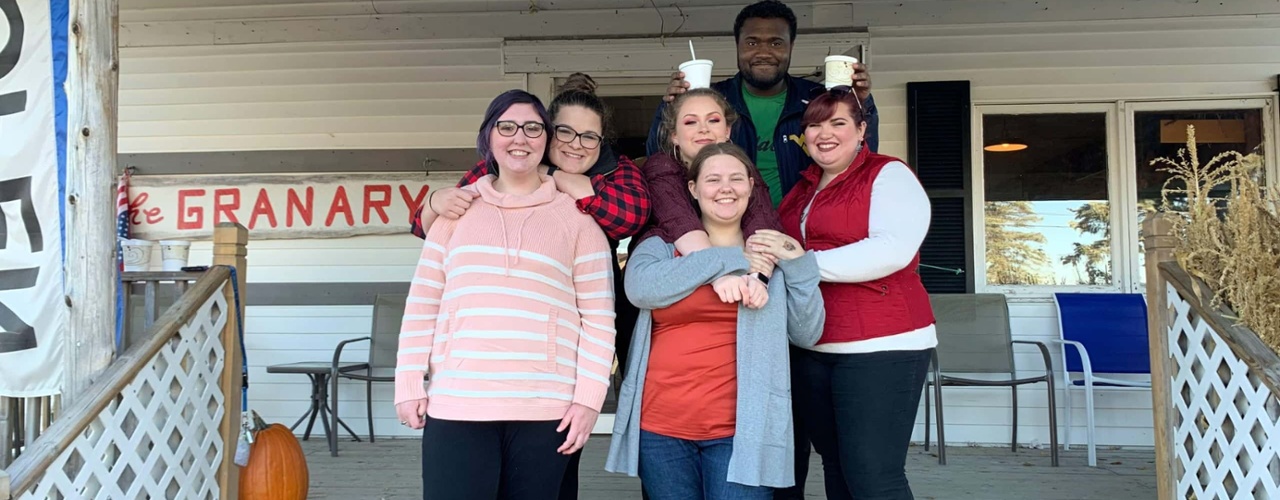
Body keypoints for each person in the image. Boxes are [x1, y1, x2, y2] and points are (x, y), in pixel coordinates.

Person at [408, 74, 650, 500]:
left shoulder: (607, 182)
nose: (576, 144)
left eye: (589, 137)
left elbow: (631, 219)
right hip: (465, 390)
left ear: (602, 144)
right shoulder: (484, 180)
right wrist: (431, 202)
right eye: (566, 132)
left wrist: (584, 193)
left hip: (554, 375)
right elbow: (426, 277)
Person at [606, 143, 825, 500]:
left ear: (752, 186)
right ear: (692, 189)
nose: (726, 187)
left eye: (737, 178)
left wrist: (798, 263)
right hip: (660, 429)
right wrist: (732, 259)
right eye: (713, 179)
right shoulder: (661, 246)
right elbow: (641, 290)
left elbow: (807, 332)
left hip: (742, 433)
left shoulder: (771, 253)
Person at [749, 87, 935, 500]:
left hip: (884, 345)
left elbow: (891, 250)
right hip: (815, 347)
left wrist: (801, 263)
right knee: (836, 469)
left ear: (861, 128)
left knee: (873, 476)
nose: (824, 133)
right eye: (814, 125)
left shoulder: (888, 174)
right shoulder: (801, 191)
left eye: (838, 122)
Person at [645, 0, 879, 209]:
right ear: (737, 45)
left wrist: (861, 103)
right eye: (752, 43)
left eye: (776, 43)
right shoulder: (712, 101)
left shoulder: (818, 99)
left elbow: (860, 157)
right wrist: (672, 106)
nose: (764, 53)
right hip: (727, 228)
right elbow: (660, 157)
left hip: (804, 230)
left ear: (791, 46)